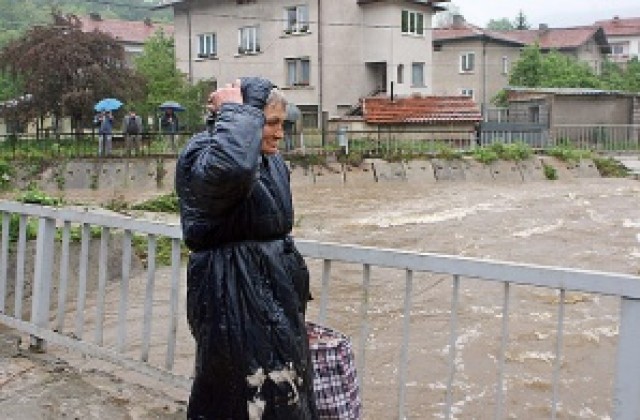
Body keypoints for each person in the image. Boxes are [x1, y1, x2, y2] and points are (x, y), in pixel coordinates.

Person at [175, 77, 317, 419]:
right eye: (271, 123)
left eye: (283, 124)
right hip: (231, 293)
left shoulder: (269, 160)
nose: (280, 134)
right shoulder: (207, 153)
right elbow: (231, 170)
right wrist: (237, 113)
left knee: (284, 393)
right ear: (245, 117)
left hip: (272, 292)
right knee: (242, 395)